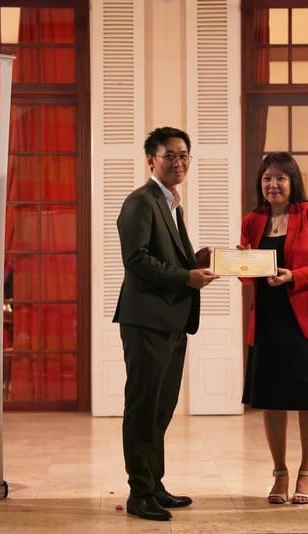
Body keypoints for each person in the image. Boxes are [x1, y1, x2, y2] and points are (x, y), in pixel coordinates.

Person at [113, 126, 219, 522]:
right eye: (170, 155)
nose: (179, 162)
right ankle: (139, 493)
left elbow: (169, 259)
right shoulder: (140, 201)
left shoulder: (172, 204)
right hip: (146, 322)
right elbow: (137, 261)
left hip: (171, 320)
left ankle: (155, 486)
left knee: (161, 409)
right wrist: (186, 278)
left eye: (184, 155)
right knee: (142, 408)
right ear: (151, 160)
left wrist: (199, 258)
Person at [240, 152, 308, 506]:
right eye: (267, 178)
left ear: (292, 182)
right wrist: (236, 262)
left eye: (280, 178)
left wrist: (293, 276)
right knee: (271, 399)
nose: (273, 185)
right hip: (269, 320)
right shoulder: (252, 220)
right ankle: (280, 473)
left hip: (307, 319)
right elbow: (246, 273)